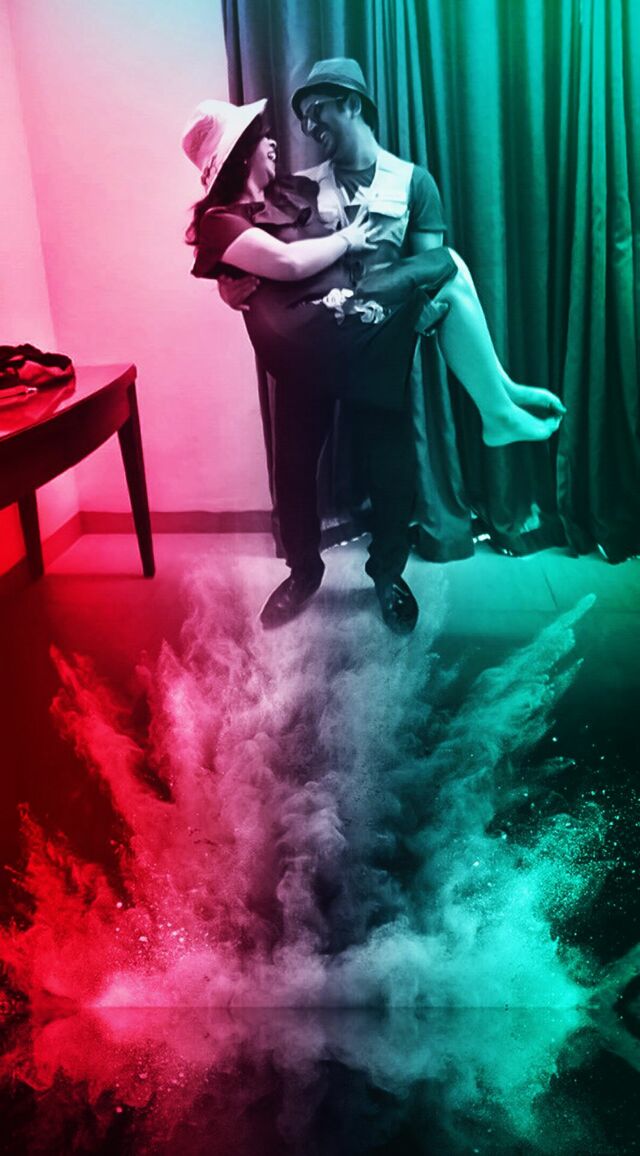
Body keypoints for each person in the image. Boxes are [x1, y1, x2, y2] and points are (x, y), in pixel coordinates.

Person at [182, 67, 564, 632]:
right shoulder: (295, 186)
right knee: (293, 468)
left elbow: (428, 273)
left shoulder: (415, 184)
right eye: (302, 115)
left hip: (378, 345)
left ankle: (388, 574)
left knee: (392, 468)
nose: (307, 125)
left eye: (318, 109)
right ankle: (303, 573)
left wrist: (427, 317)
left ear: (352, 104)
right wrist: (225, 286)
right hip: (311, 349)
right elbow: (250, 252)